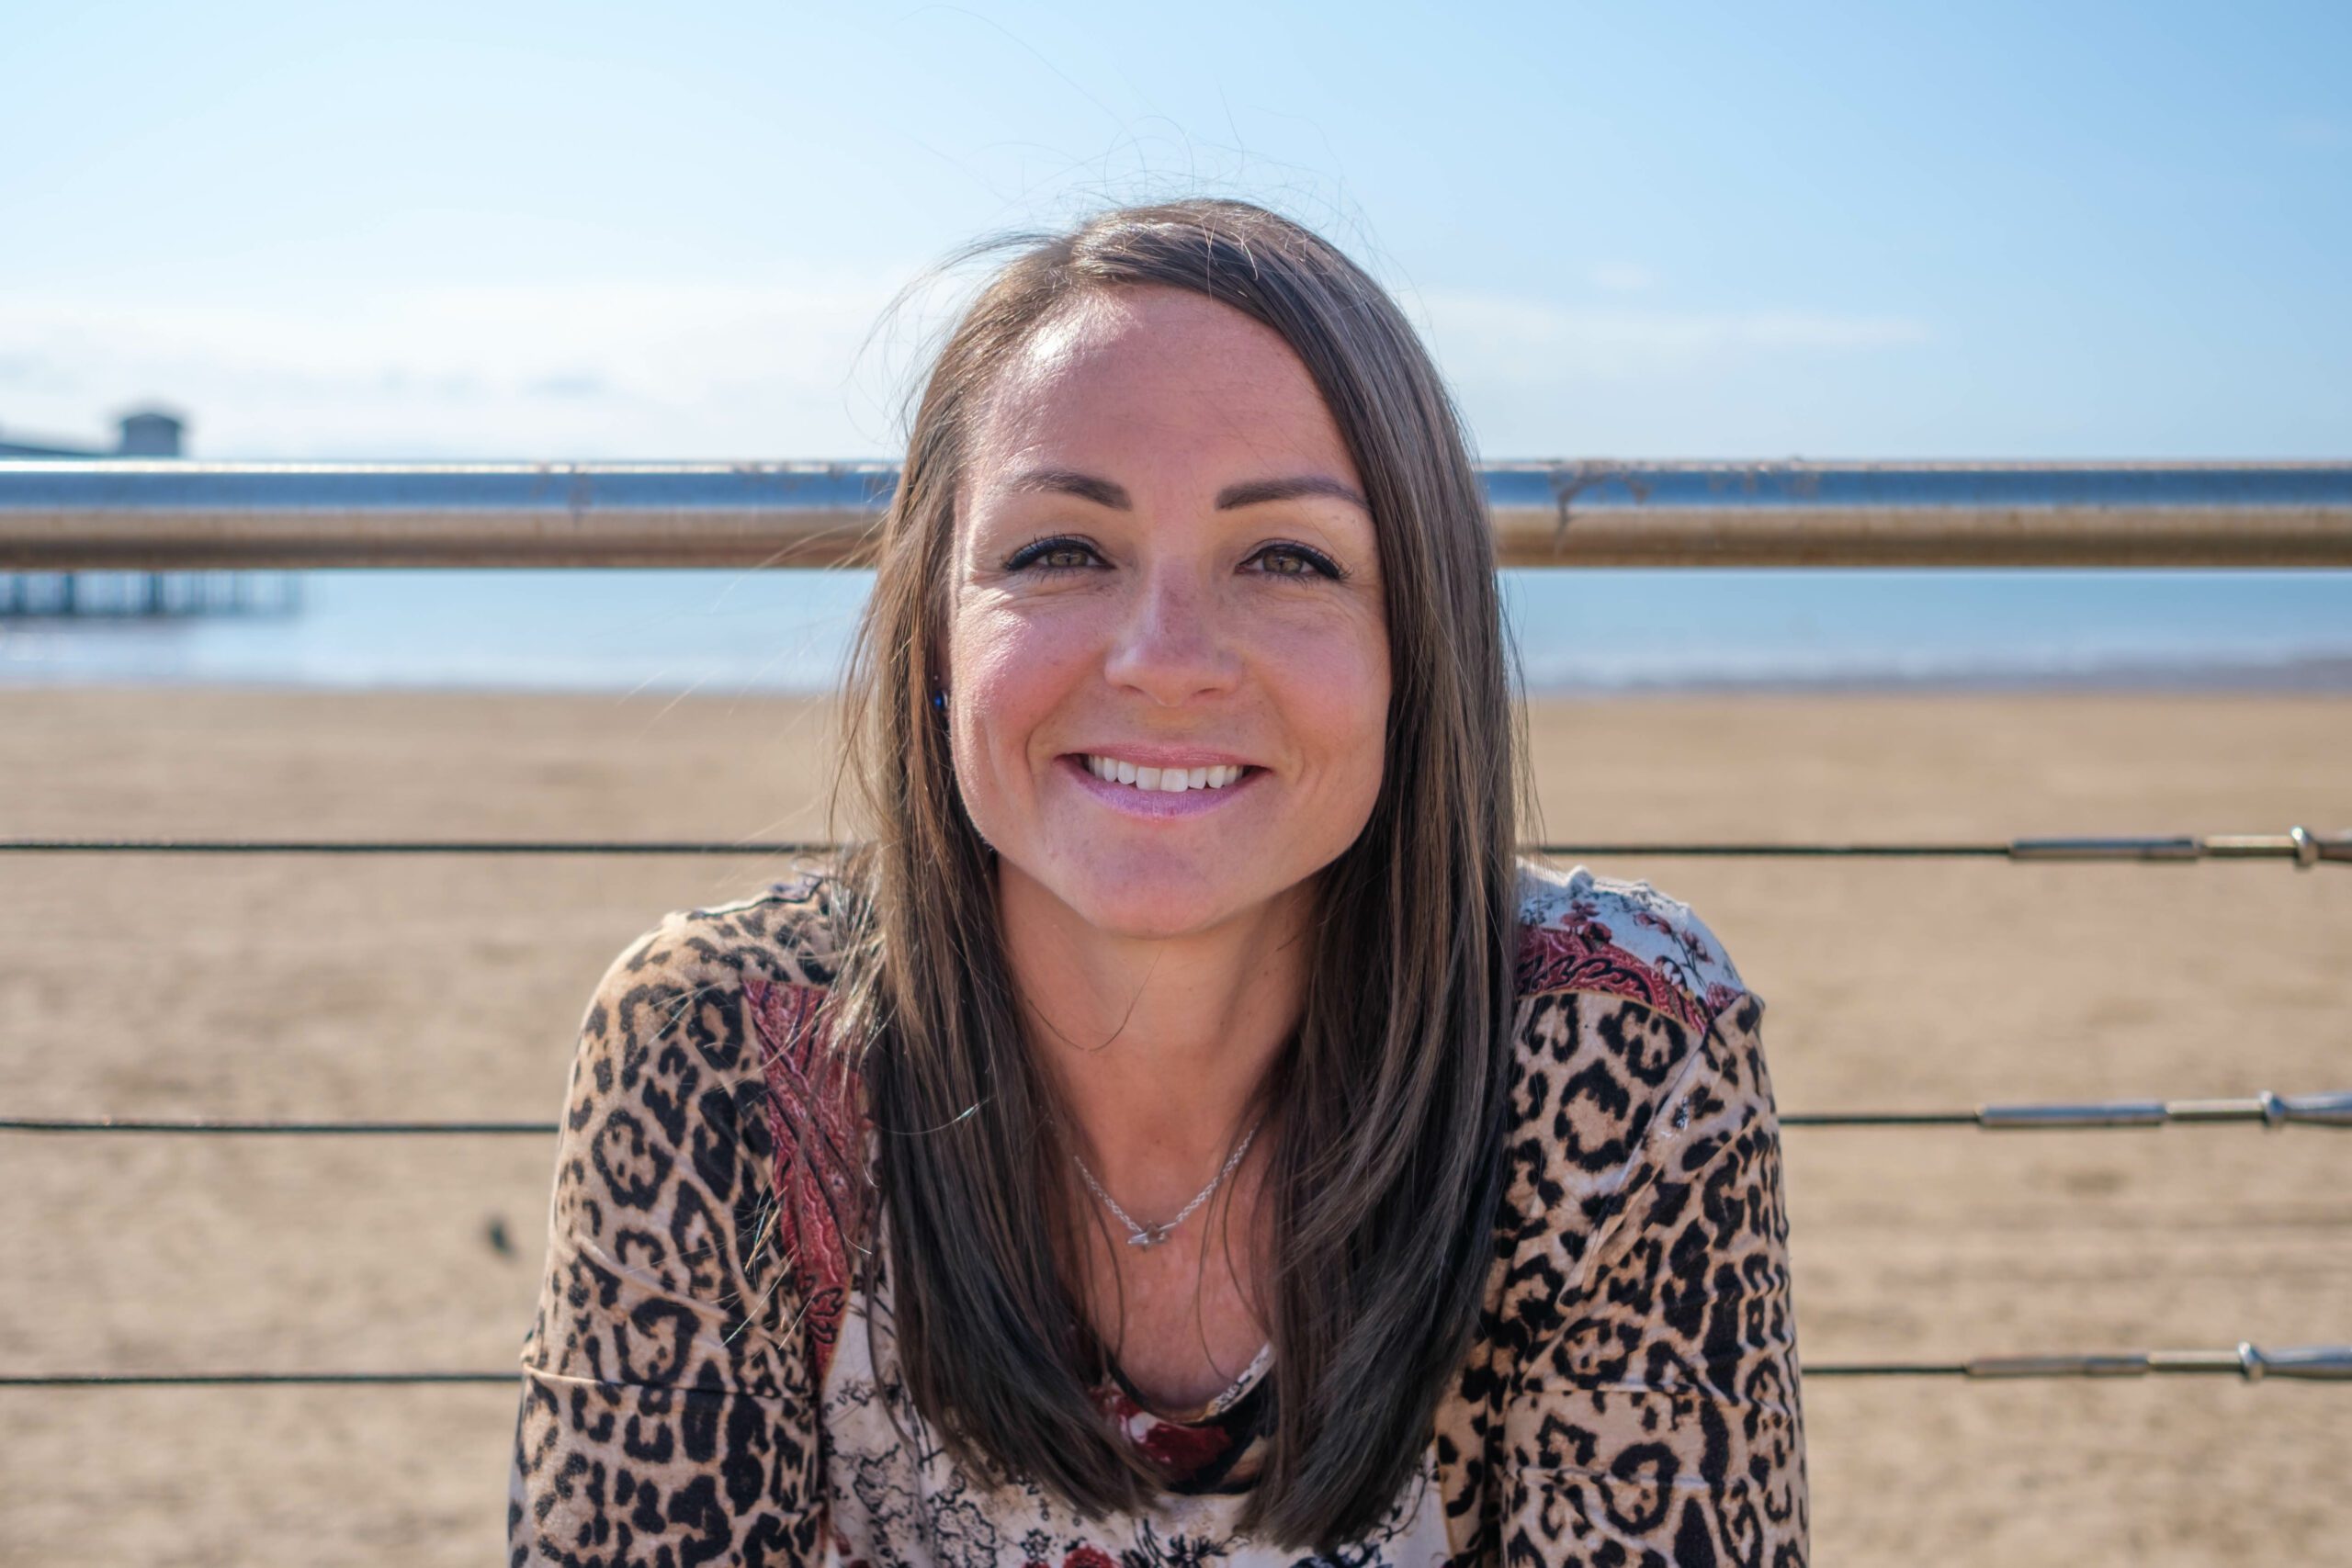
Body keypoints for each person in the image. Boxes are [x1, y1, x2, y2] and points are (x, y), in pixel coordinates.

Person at [507, 197, 1807, 1566]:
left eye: (1288, 558)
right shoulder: (727, 1051)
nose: (1165, 659)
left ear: (1415, 647)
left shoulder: (1620, 1048)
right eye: (1061, 550)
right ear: (936, 634)